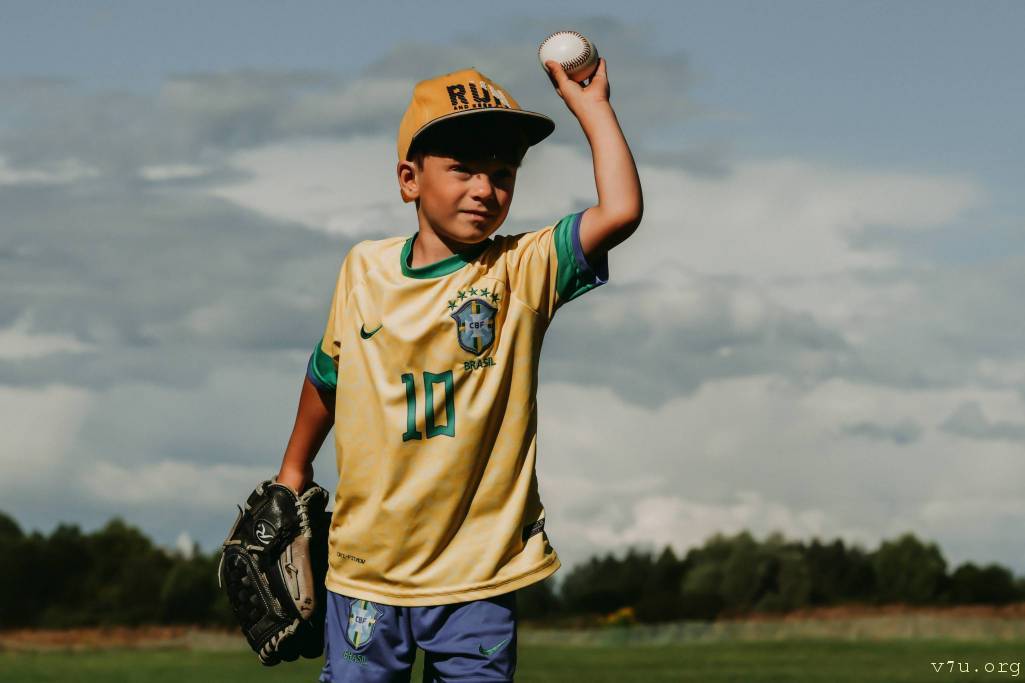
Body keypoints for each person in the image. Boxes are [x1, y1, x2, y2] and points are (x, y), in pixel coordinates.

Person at [275, 58, 642, 682]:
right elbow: (327, 375)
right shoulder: (363, 269)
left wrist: (593, 108)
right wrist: (293, 469)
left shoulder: (521, 270)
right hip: (368, 570)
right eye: (464, 168)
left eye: (502, 174)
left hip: (479, 575)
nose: (484, 189)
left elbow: (622, 210)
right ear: (409, 180)